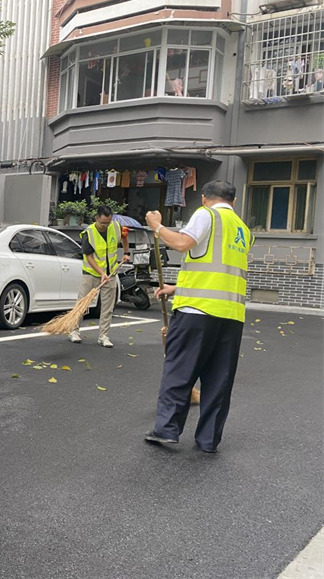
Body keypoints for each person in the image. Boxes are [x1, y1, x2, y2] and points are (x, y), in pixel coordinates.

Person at [143, 180, 252, 453]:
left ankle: (166, 429)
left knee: (179, 371)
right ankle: (208, 440)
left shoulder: (207, 215)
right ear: (234, 201)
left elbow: (182, 243)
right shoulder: (243, 229)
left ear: (204, 198)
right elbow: (218, 271)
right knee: (219, 380)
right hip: (231, 316)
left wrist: (157, 226)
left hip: (196, 311)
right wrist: (176, 287)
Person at [68, 205, 130, 348]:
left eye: (108, 222)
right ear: (96, 218)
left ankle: (103, 336)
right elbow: (89, 257)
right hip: (91, 273)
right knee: (82, 303)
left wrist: (126, 253)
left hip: (111, 273)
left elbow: (124, 237)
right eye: (103, 223)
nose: (105, 226)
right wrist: (101, 273)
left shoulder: (116, 226)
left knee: (108, 307)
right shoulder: (88, 233)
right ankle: (74, 331)